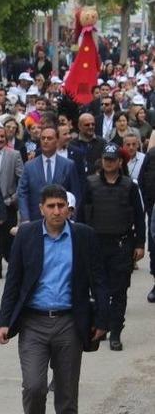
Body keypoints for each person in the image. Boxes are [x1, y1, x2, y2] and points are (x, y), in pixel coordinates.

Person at [0, 184, 109, 414]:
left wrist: (102, 320)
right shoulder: (27, 235)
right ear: (41, 209)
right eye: (51, 206)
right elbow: (13, 281)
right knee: (34, 386)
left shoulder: (84, 236)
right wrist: (4, 321)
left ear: (69, 209)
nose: (57, 211)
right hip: (33, 323)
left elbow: (99, 281)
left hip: (69, 323)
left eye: (61, 206)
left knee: (67, 394)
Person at [78, 143, 145, 351]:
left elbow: (139, 217)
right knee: (98, 290)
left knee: (119, 292)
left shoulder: (129, 186)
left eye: (112, 159)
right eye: (106, 159)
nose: (109, 162)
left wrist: (140, 244)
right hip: (96, 244)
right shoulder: (90, 184)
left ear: (119, 162)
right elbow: (81, 215)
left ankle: (115, 332)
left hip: (121, 245)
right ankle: (101, 327)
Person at [0, 122, 23, 280]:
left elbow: (22, 179)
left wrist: (14, 198)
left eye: (2, 136)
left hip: (9, 204)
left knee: (9, 239)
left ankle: (13, 267)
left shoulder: (15, 155)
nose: (0, 139)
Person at [16, 127, 78, 223]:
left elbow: (74, 193)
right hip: (35, 220)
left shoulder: (68, 165)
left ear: (57, 141)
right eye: (43, 138)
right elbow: (22, 193)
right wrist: (25, 218)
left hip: (60, 220)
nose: (45, 141)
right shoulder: (29, 166)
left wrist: (72, 218)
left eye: (49, 138)